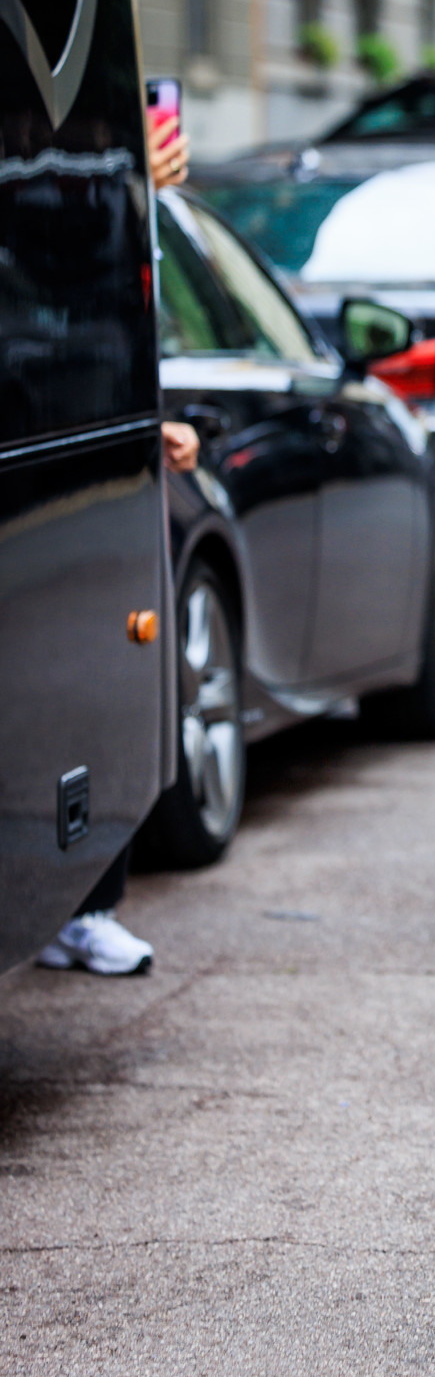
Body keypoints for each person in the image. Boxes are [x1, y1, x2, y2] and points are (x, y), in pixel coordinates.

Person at [35, 109, 199, 977]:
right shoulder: (66, 174)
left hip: (108, 431)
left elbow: (111, 313)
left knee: (109, 664)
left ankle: (87, 904)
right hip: (60, 435)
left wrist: (155, 422)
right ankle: (77, 905)